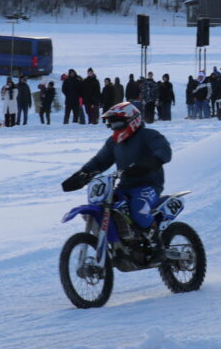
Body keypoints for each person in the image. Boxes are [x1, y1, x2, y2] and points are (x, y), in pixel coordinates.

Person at [62, 101, 172, 263]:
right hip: (124, 186)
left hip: (148, 184)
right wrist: (81, 175)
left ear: (132, 120)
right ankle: (120, 242)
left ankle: (157, 245)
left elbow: (164, 150)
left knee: (138, 209)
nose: (114, 127)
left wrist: (152, 162)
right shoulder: (114, 142)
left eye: (118, 122)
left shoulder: (148, 135)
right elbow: (99, 161)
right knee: (106, 206)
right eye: (111, 124)